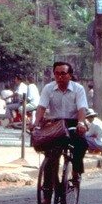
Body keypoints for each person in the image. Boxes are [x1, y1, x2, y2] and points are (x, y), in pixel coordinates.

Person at [32, 62, 90, 195]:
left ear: (70, 75)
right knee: (50, 158)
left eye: (63, 73)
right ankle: (47, 194)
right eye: (57, 73)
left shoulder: (78, 89)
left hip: (73, 123)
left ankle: (76, 172)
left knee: (82, 144)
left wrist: (81, 123)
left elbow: (82, 108)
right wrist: (36, 122)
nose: (60, 76)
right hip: (55, 124)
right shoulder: (48, 88)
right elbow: (41, 107)